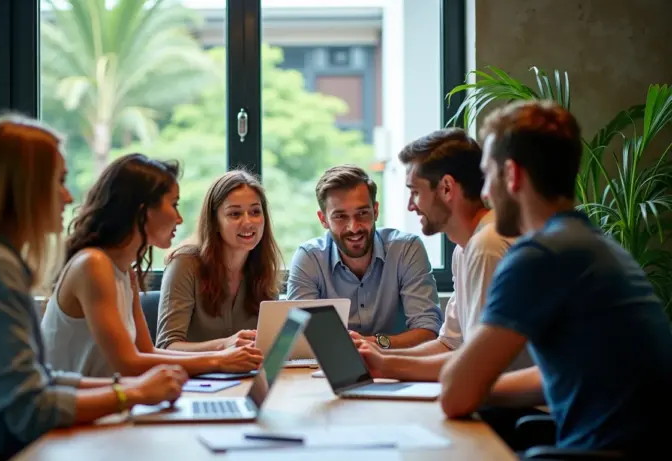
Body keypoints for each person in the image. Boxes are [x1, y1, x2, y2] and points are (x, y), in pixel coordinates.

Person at [0, 117, 187, 459]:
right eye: (58, 181)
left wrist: (132, 387)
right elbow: (31, 409)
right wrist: (131, 395)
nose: (68, 196)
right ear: (22, 188)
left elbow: (41, 378)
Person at [439, 100, 672, 456]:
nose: (485, 193)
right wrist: (482, 386)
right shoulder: (592, 245)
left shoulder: (539, 255)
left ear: (513, 175)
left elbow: (455, 396)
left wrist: (472, 385)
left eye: (487, 175)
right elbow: (558, 377)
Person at [41, 155, 263, 378]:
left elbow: (147, 352)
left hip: (107, 404)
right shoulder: (93, 265)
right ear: (143, 211)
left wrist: (226, 356)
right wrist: (219, 360)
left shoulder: (126, 271)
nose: (179, 218)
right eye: (174, 205)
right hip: (77, 410)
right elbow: (129, 363)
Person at [355, 128, 530, 381]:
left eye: (415, 191)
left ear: (447, 188)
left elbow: (477, 362)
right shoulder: (465, 249)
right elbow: (450, 344)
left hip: (522, 411)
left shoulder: (488, 245)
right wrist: (375, 355)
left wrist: (387, 365)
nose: (410, 205)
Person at [287, 164, 443, 349]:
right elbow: (299, 337)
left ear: (375, 211)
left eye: (362, 213)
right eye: (340, 216)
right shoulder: (309, 258)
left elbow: (428, 331)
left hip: (398, 366)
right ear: (323, 219)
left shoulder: (406, 250)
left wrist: (373, 344)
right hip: (331, 369)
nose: (354, 227)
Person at [155, 170, 282, 351]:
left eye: (255, 211)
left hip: (247, 375)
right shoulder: (184, 264)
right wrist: (224, 345)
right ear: (214, 221)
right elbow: (167, 346)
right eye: (235, 214)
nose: (248, 222)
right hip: (196, 377)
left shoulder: (264, 266)